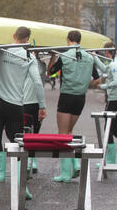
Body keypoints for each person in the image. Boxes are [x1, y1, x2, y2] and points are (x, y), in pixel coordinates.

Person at [0, 27, 47, 199]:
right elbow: (37, 83)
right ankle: (21, 188)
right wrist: (42, 106)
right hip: (17, 105)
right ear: (28, 39)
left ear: (13, 36)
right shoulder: (28, 56)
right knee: (18, 144)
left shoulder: (1, 51)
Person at [47, 30, 100, 182]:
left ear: (68, 39)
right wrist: (84, 84)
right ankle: (75, 164)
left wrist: (52, 57)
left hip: (67, 96)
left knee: (63, 134)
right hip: (80, 98)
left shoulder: (65, 56)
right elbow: (97, 79)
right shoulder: (89, 57)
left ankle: (66, 172)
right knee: (69, 131)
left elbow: (50, 72)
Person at [93, 42, 117, 165]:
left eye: (105, 52)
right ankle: (111, 159)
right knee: (112, 127)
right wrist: (95, 57)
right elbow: (104, 69)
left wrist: (104, 86)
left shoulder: (114, 64)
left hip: (114, 99)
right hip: (113, 99)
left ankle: (111, 160)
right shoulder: (112, 64)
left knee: (108, 127)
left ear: (108, 53)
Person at [23, 56, 47, 175]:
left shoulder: (25, 61)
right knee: (35, 134)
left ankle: (27, 162)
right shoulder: (42, 64)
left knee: (26, 134)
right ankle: (32, 160)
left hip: (25, 101)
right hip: (37, 102)